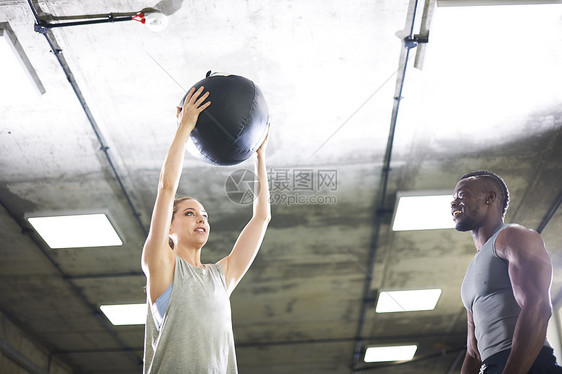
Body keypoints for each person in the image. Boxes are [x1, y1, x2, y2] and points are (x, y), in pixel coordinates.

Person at [141, 86, 271, 373]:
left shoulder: (222, 277)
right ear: (170, 227)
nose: (201, 220)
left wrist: (259, 157)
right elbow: (166, 187)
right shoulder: (161, 264)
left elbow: (261, 218)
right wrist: (185, 127)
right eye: (190, 213)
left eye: (204, 215)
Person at [453, 170, 562, 374]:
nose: (453, 203)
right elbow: (473, 350)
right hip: (492, 366)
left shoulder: (513, 236)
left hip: (530, 364)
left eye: (461, 195)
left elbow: (538, 307)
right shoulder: (470, 273)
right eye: (452, 198)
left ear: (490, 197)